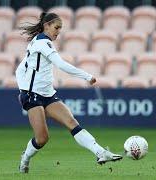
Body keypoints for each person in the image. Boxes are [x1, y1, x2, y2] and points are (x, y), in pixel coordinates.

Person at [15, 12, 122, 173]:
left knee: (71, 122)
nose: (58, 31)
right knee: (42, 138)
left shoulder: (37, 43)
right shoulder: (42, 43)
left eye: (60, 28)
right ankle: (25, 158)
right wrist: (87, 76)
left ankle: (101, 152)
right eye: (56, 27)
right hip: (32, 96)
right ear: (47, 25)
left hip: (48, 94)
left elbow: (19, 69)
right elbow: (61, 65)